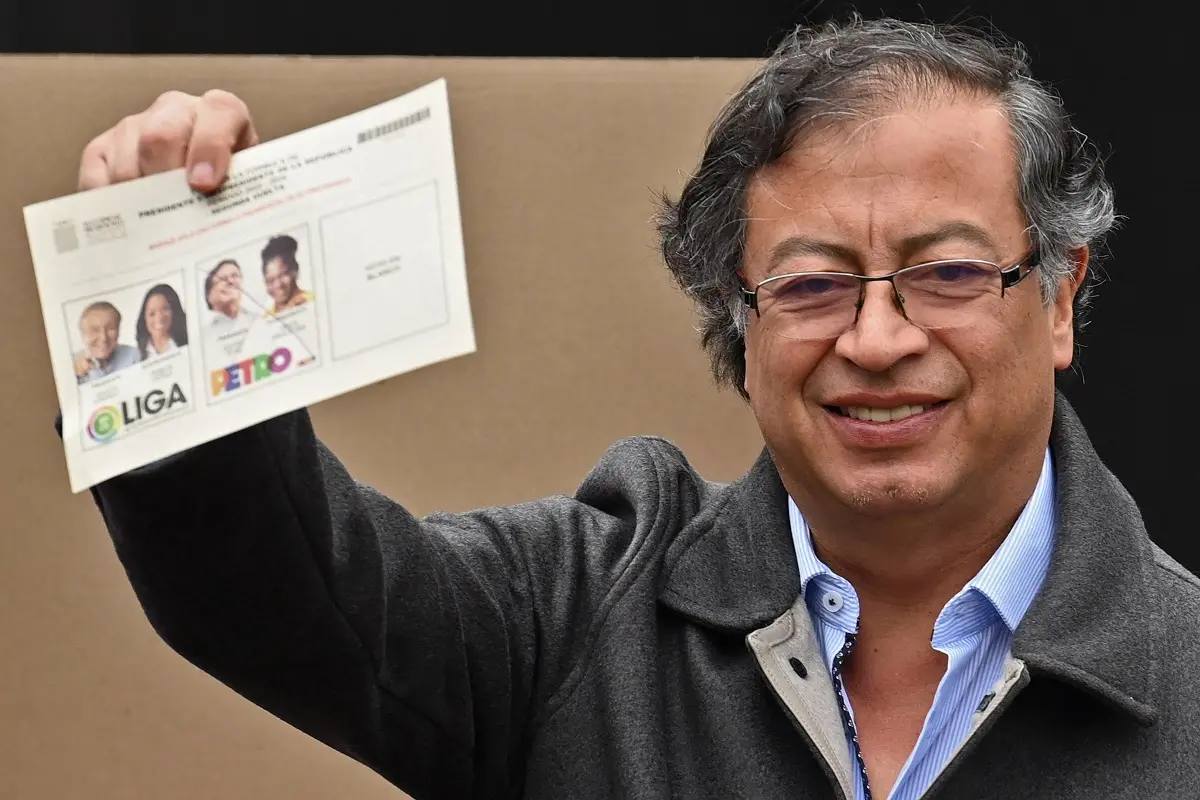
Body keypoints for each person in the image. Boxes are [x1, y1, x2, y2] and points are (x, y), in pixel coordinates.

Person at [72, 16, 1200, 800]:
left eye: (947, 272)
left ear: (1058, 297)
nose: (876, 338)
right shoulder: (579, 615)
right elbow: (283, 596)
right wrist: (167, 292)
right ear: (739, 325)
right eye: (811, 285)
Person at [73, 301, 140, 384]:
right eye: (94, 330)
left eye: (111, 328)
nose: (103, 337)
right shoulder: (70, 364)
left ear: (118, 330)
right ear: (83, 334)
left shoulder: (135, 355)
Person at [261, 234, 315, 316]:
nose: (278, 285)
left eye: (282, 275)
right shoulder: (267, 317)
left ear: (295, 271)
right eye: (270, 280)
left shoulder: (312, 302)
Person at [135, 283, 189, 360]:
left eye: (165, 309)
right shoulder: (137, 356)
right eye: (152, 313)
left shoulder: (190, 344)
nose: (159, 318)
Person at [203, 258, 256, 327]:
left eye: (235, 276)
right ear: (209, 295)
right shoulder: (203, 329)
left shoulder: (258, 321)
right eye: (222, 278)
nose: (231, 281)